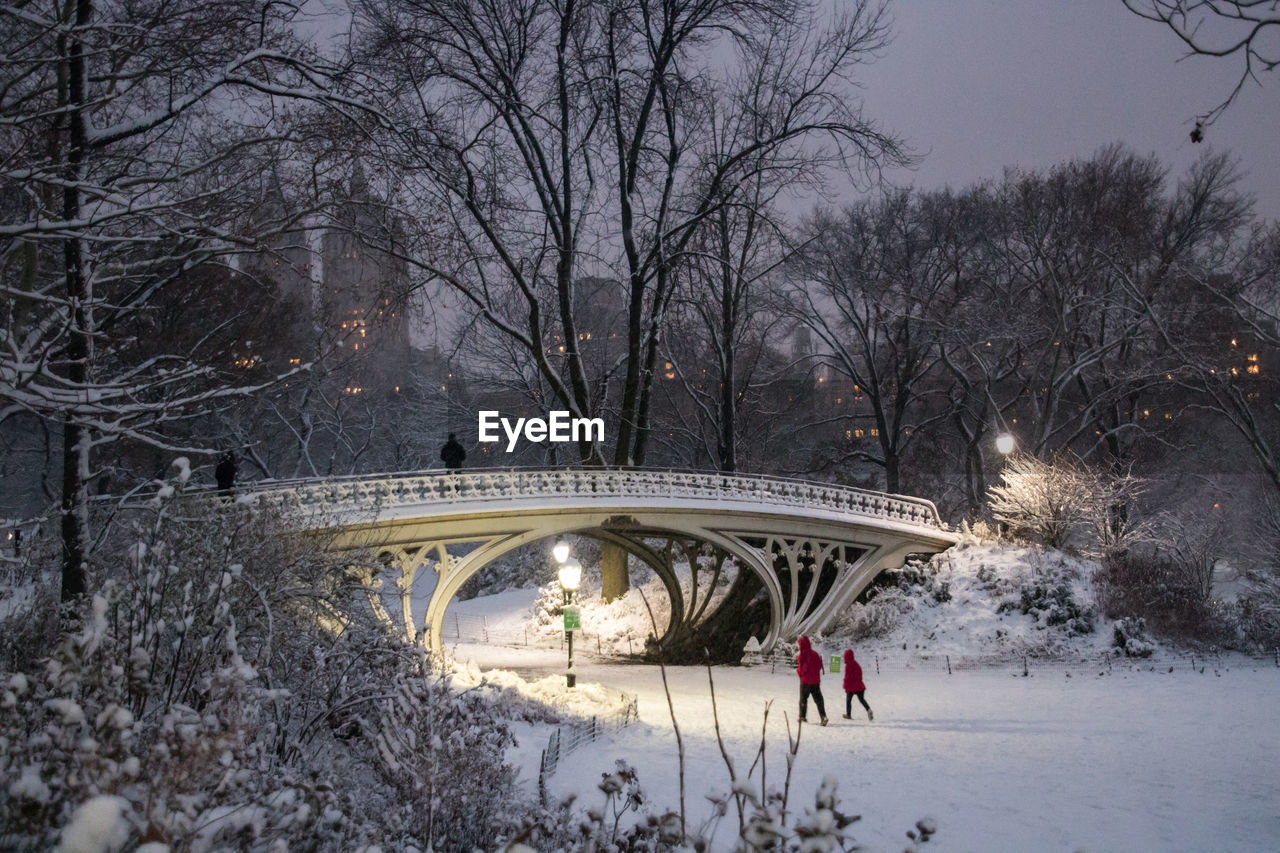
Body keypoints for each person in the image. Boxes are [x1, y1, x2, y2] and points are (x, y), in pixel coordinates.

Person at [795, 636, 828, 726]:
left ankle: (802, 717)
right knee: (819, 700)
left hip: (805, 682)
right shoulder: (815, 654)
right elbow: (820, 666)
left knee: (803, 699)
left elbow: (802, 669)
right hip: (815, 682)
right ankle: (823, 716)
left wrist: (799, 672)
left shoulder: (802, 655)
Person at [841, 648, 874, 721]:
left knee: (848, 701)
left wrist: (845, 687)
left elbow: (847, 678)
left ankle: (848, 715)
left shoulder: (848, 666)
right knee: (861, 699)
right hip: (859, 686)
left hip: (851, 687)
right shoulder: (856, 664)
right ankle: (869, 710)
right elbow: (860, 675)